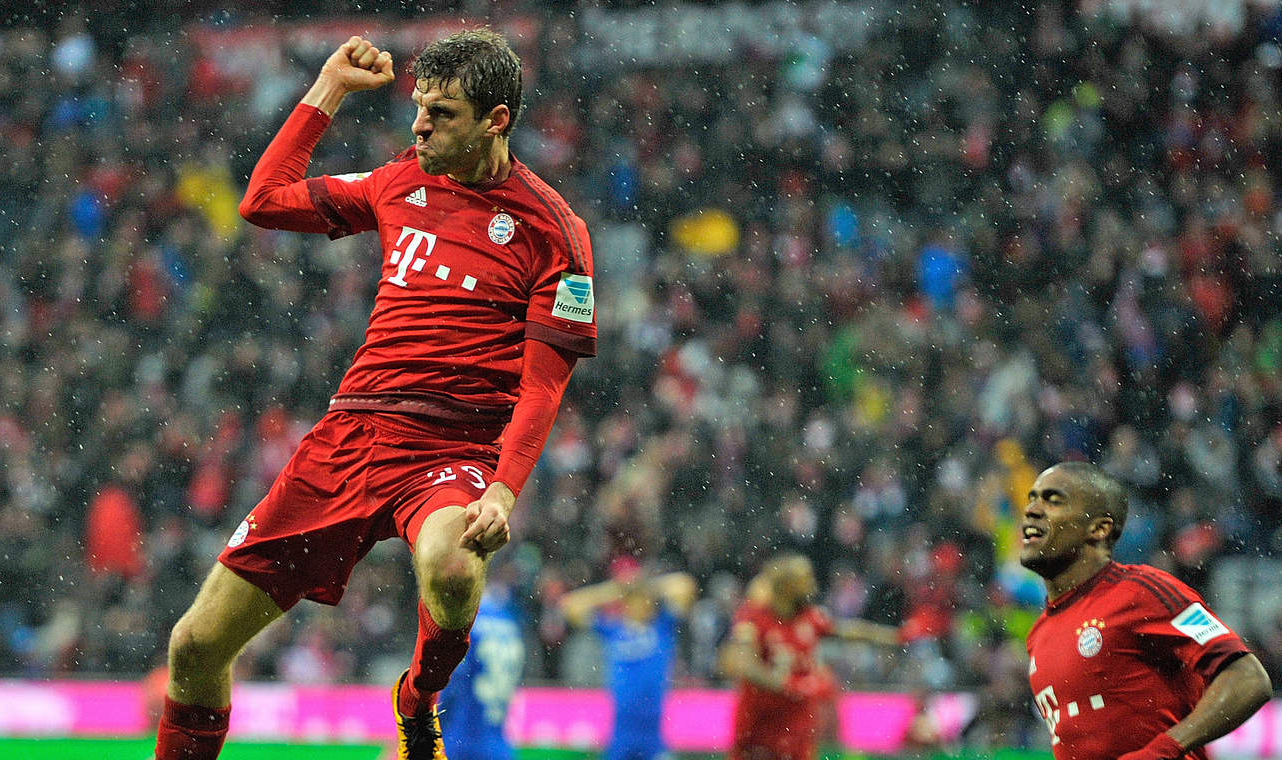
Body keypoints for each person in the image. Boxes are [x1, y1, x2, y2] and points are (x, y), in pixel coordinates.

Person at [153, 29, 596, 760]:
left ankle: (416, 699)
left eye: (442, 113)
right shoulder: (397, 184)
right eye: (418, 107)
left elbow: (544, 386)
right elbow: (262, 200)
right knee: (196, 646)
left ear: (498, 120)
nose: (419, 125)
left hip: (450, 452)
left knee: (454, 568)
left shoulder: (555, 233)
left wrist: (504, 492)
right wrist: (327, 88)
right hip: (348, 440)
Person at [1020, 462, 1272, 760]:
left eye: (1053, 500)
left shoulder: (1141, 592)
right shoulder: (1038, 634)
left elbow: (1249, 679)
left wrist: (1163, 751)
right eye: (1032, 498)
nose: (1032, 510)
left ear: (1099, 528)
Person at [719, 554, 901, 760]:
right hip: (761, 717)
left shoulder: (811, 617)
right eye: (805, 577)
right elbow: (744, 665)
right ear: (786, 584)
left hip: (797, 719)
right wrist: (788, 684)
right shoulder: (753, 618)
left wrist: (891, 636)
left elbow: (846, 630)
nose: (812, 583)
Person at [560, 560, 698, 760]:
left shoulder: (662, 626)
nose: (641, 605)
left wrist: (645, 586)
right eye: (635, 600)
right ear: (625, 603)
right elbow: (570, 605)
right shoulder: (613, 629)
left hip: (653, 733)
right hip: (621, 732)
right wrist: (615, 590)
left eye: (644, 600)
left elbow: (686, 585)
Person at [438, 579, 525, 760]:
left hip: (461, 741)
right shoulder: (509, 622)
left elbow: (447, 687)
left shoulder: (467, 622)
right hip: (498, 744)